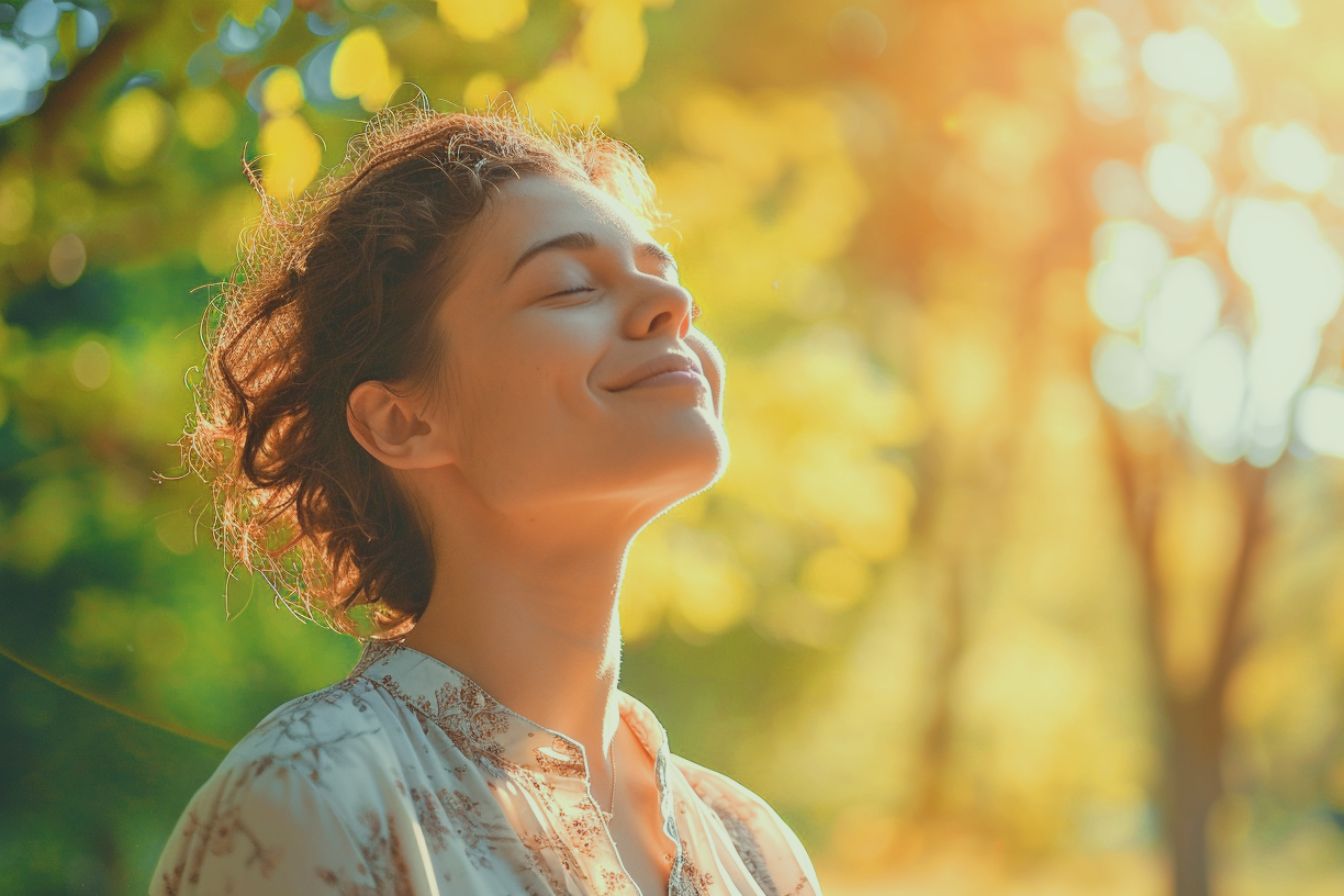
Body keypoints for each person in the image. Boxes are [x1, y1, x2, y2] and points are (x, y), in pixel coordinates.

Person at [148, 98, 824, 895]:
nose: (670, 308)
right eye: (571, 288)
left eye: (667, 281)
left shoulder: (754, 848)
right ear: (402, 421)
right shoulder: (315, 796)